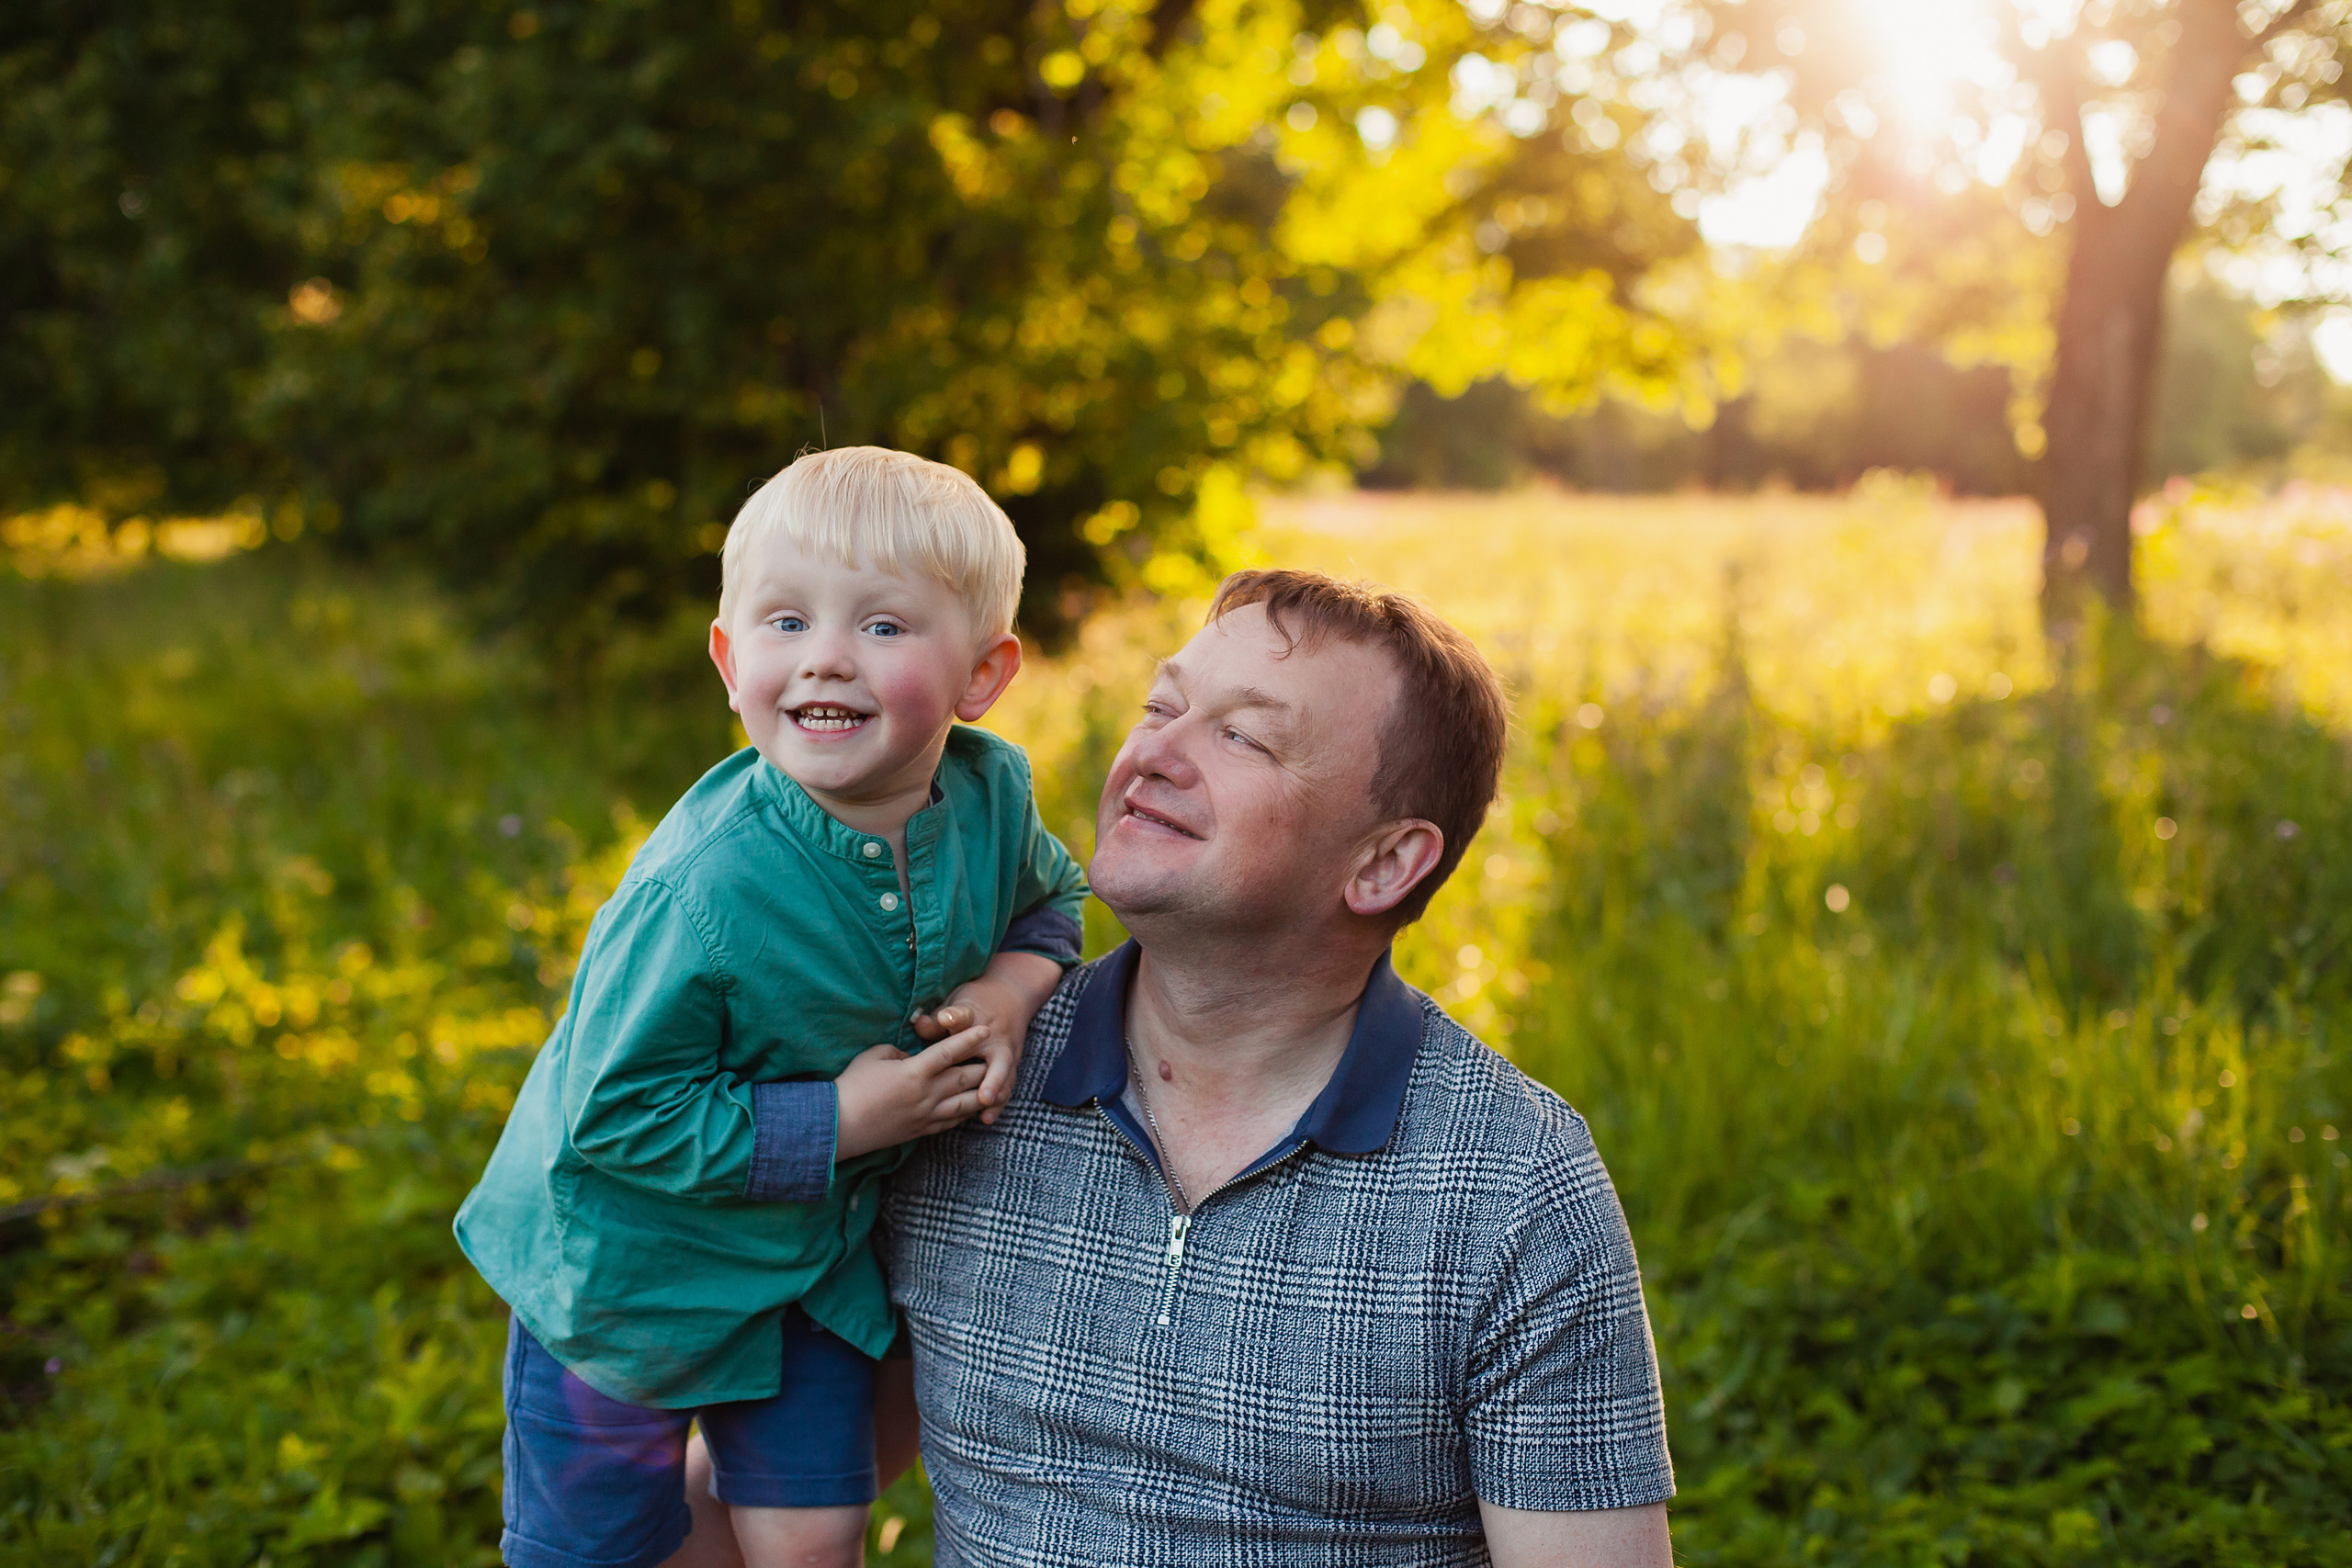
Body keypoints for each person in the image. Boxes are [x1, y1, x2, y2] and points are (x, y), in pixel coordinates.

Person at [876, 569, 1675, 1565]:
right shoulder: (962, 1076)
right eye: (1159, 707)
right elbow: (784, 1474)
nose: (1150, 756)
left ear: (1383, 863)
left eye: (1241, 736)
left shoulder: (1512, 1184)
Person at [452, 446, 1089, 1568]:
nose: (825, 661)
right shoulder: (701, 891)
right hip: (625, 1281)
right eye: (785, 623)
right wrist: (842, 1122)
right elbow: (617, 1116)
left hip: (805, 1264)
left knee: (814, 1535)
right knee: (593, 1547)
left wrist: (1008, 988)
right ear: (727, 654)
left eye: (884, 628)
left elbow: (1051, 904)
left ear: (981, 676)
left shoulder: (991, 799)